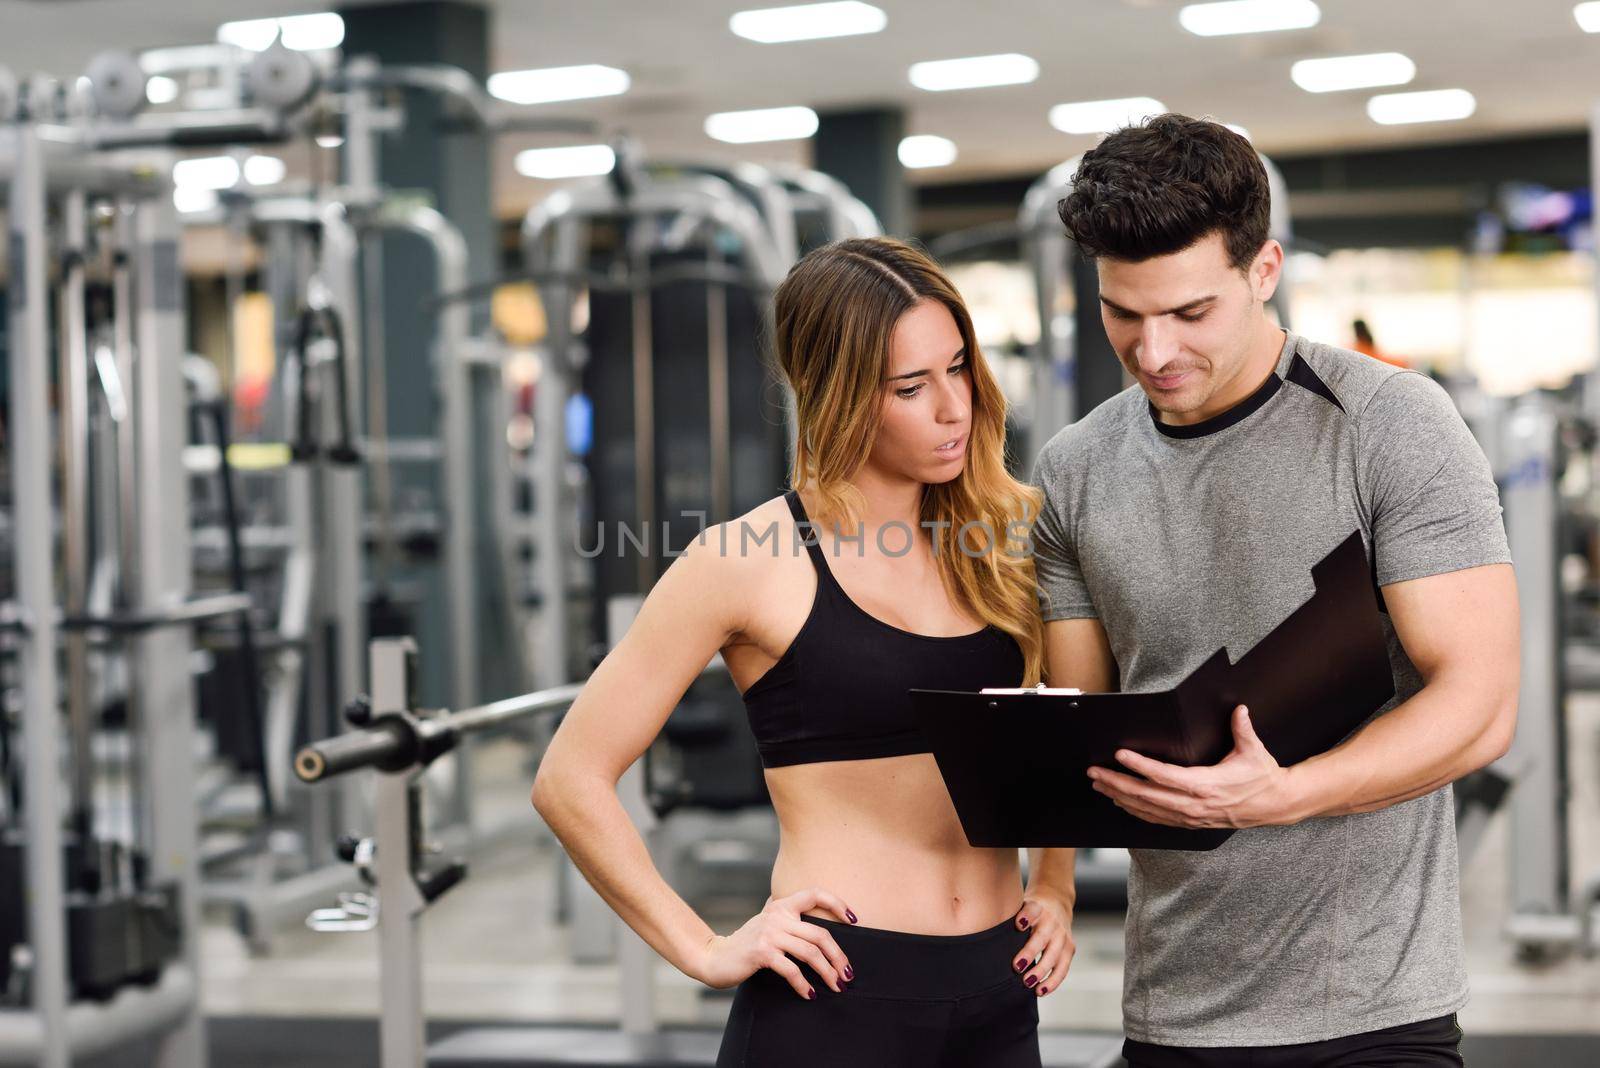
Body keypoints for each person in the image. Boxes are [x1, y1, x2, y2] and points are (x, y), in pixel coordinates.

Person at [1034, 114, 1519, 1067]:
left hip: (1370, 1017)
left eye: (1189, 312)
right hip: (1167, 1011)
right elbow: (1076, 723)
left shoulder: (1389, 426)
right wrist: (1044, 879)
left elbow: (1481, 706)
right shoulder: (1075, 468)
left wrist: (1284, 795)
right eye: (1122, 313)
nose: (1153, 349)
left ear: (1264, 271)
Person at [532, 237, 1076, 1067]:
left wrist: (1057, 882)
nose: (952, 407)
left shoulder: (995, 542)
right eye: (909, 386)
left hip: (1001, 990)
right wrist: (703, 947)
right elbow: (569, 778)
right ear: (839, 395)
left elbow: (1066, 727)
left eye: (958, 368)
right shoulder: (743, 559)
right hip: (837, 996)